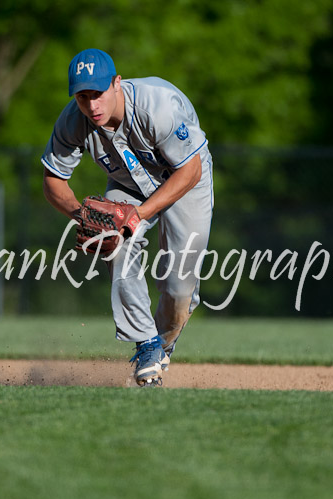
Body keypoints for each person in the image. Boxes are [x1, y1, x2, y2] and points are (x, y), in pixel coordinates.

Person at [41, 48, 214, 386]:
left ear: (117, 83)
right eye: (82, 96)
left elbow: (190, 169)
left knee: (180, 287)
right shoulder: (74, 122)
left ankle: (162, 346)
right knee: (115, 243)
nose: (92, 105)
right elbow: (52, 181)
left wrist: (139, 215)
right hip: (128, 184)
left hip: (185, 178)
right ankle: (146, 344)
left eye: (98, 93)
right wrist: (84, 215)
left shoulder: (155, 106)